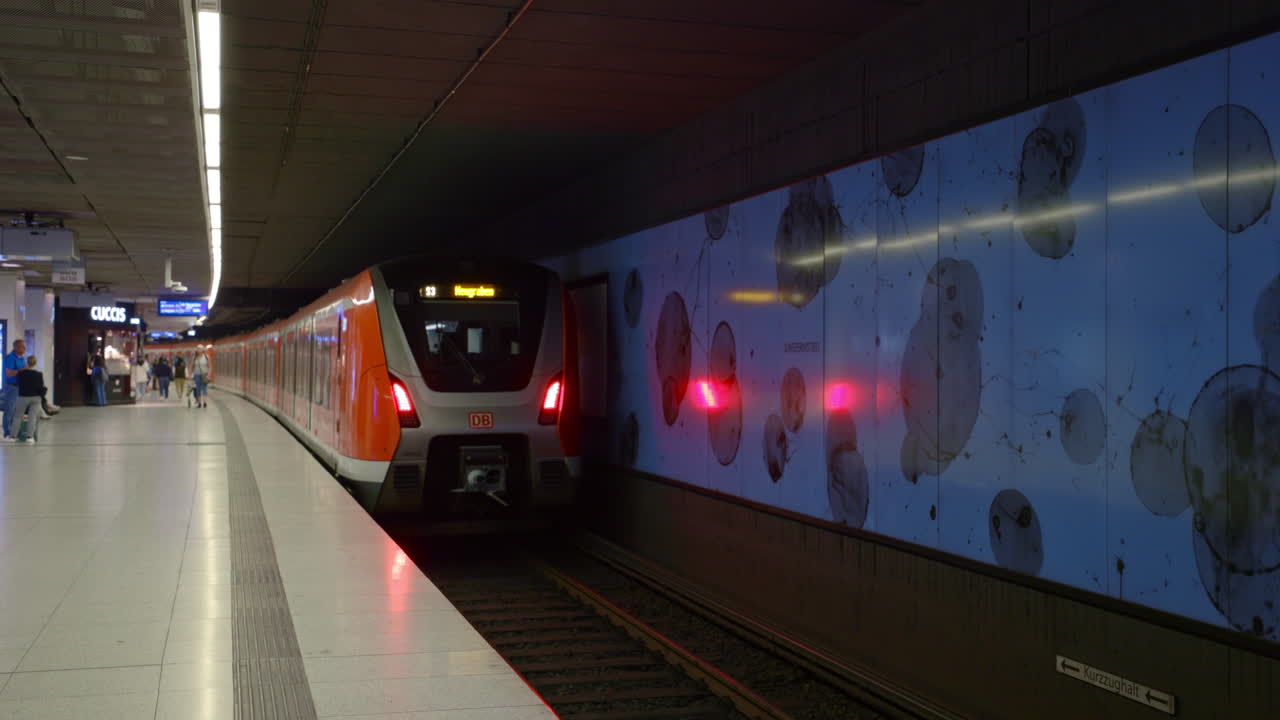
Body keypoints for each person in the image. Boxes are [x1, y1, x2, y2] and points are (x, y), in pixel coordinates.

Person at [15, 356, 44, 443]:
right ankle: (30, 437)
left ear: (27, 362)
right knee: (32, 417)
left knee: (18, 417)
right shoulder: (39, 374)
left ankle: (13, 436)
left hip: (23, 397)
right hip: (35, 398)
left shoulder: (20, 373)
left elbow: (18, 383)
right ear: (35, 363)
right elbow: (41, 386)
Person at [2, 338, 26, 440]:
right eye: (22, 347)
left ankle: (14, 432)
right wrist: (23, 369)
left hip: (19, 387)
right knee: (9, 410)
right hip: (11, 387)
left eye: (24, 347)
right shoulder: (10, 358)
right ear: (15, 347)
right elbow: (9, 373)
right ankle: (7, 433)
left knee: (16, 411)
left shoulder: (22, 358)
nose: (24, 349)